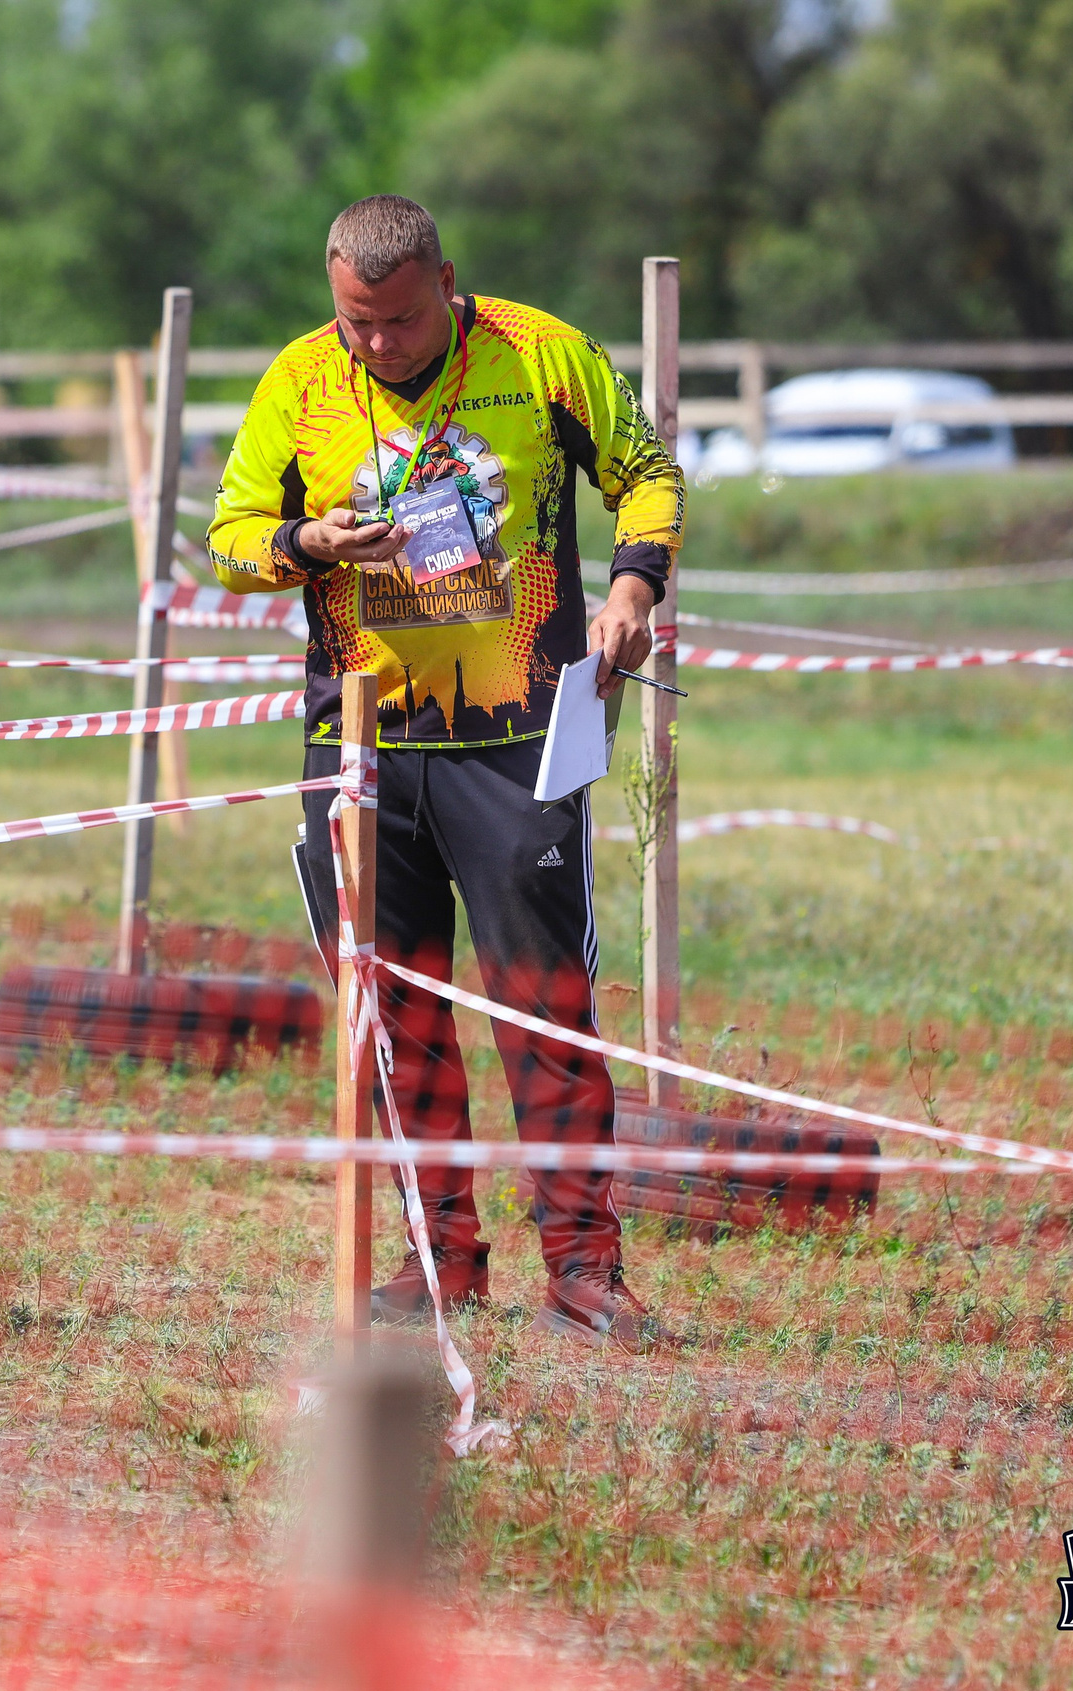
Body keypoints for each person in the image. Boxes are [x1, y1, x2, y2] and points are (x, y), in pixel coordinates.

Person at [208, 194, 685, 1348]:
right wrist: (308, 543)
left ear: (446, 284)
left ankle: (582, 1269)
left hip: (517, 739)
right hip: (359, 745)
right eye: (356, 321)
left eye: (400, 320)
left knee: (544, 1008)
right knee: (392, 1013)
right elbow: (229, 536)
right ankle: (439, 1261)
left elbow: (649, 472)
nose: (376, 343)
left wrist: (632, 589)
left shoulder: (541, 353)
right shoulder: (299, 379)